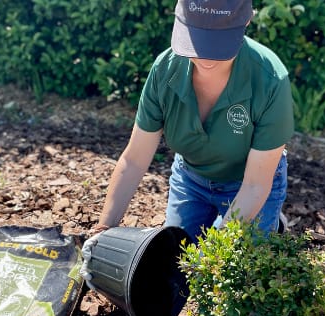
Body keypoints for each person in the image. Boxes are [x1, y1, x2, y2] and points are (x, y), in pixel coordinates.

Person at [89, 0, 294, 243]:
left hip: (249, 182)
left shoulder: (270, 78)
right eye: (196, 39)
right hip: (191, 178)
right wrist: (103, 230)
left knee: (233, 271)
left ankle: (270, 220)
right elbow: (134, 159)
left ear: (247, 20)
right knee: (174, 263)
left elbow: (254, 185)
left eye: (219, 42)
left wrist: (212, 257)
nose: (205, 55)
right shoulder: (164, 70)